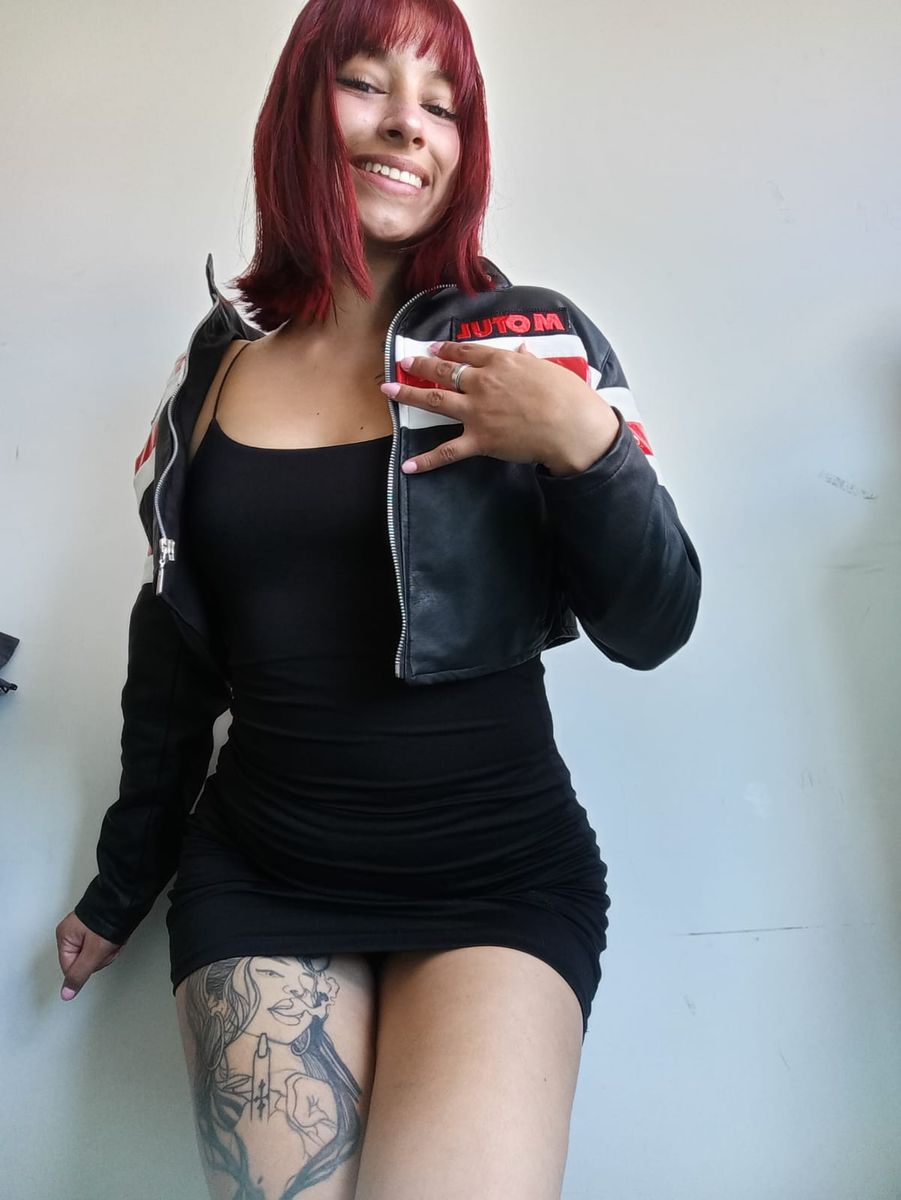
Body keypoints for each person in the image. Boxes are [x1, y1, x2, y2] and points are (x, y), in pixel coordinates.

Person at [55, 1, 702, 1197]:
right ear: (299, 111)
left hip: (497, 880)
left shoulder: (533, 346)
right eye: (366, 83)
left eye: (442, 105)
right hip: (263, 875)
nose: (409, 124)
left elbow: (655, 625)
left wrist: (589, 445)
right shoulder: (214, 369)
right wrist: (121, 877)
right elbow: (173, 657)